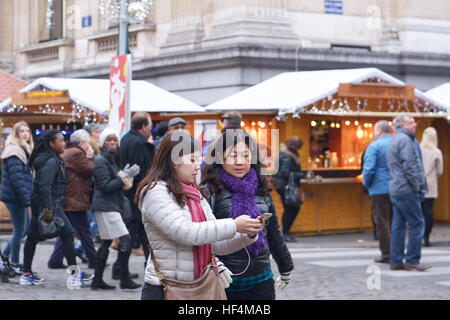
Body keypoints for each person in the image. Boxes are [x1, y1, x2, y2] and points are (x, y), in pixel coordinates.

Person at [136, 132, 263, 300]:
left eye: (199, 159)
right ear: (174, 162)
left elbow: (213, 243)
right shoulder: (155, 192)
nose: (198, 166)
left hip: (200, 285)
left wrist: (247, 233)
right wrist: (234, 225)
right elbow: (186, 232)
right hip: (166, 288)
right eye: (193, 160)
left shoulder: (194, 192)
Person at [201, 129, 294, 300]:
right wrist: (214, 263)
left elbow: (272, 231)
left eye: (245, 155)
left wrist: (285, 265)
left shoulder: (261, 186)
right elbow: (202, 234)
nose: (240, 162)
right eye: (233, 155)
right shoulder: (209, 190)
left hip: (261, 278)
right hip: (224, 279)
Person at [21, 130, 93, 286]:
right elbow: (44, 186)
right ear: (51, 144)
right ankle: (74, 275)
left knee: (33, 237)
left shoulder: (48, 158)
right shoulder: (50, 161)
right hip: (49, 204)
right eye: (60, 141)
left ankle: (26, 274)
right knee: (67, 234)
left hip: (45, 203)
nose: (64, 143)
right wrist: (48, 209)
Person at [90, 128, 141, 290]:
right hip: (106, 205)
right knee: (125, 239)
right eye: (108, 140)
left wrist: (126, 176)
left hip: (111, 205)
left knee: (105, 242)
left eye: (114, 140)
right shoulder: (100, 160)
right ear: (103, 143)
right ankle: (123, 278)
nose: (112, 143)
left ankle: (97, 280)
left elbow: (116, 184)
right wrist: (124, 175)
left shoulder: (110, 159)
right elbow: (105, 186)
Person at [47, 130, 97, 269]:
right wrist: (90, 157)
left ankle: (55, 260)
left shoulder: (68, 151)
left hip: (69, 197)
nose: (88, 145)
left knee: (66, 231)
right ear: (81, 142)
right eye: (87, 142)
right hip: (76, 199)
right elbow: (89, 170)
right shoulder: (77, 153)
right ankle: (93, 259)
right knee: (84, 231)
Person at [386, 114, 430, 272]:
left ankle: (396, 260)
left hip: (396, 188)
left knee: (398, 225)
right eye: (411, 122)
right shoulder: (406, 140)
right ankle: (412, 260)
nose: (415, 124)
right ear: (402, 125)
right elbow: (410, 166)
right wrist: (418, 186)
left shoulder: (395, 139)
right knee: (417, 223)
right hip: (407, 188)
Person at [120, 112, 154, 266]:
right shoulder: (138, 143)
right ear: (144, 127)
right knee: (133, 232)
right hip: (137, 194)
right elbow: (140, 170)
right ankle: (119, 269)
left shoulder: (127, 138)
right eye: (150, 124)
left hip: (133, 193)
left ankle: (149, 265)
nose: (151, 127)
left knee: (142, 232)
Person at [0, 121, 33, 276]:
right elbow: (17, 178)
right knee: (20, 230)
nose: (26, 134)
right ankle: (14, 263)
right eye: (22, 131)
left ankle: (4, 256)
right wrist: (26, 198)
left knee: (24, 229)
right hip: (15, 197)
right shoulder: (14, 151)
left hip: (19, 196)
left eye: (27, 131)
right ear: (16, 134)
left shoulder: (23, 149)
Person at [362, 120, 393, 264]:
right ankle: (397, 252)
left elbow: (368, 170)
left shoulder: (374, 146)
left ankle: (387, 254)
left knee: (382, 222)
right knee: (395, 222)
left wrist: (367, 185)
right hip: (397, 187)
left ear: (378, 131)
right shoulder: (397, 144)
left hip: (379, 188)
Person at [274, 136, 305, 242]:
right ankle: (285, 234)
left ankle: (285, 233)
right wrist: (300, 174)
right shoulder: (288, 156)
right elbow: (284, 173)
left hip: (283, 185)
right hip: (285, 186)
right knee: (291, 209)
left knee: (291, 209)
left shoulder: (285, 153)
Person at [420, 127, 444, 247]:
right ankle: (426, 236)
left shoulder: (418, 148)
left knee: (418, 211)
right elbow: (440, 170)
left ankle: (418, 234)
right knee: (428, 211)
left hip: (418, 182)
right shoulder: (436, 152)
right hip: (431, 183)